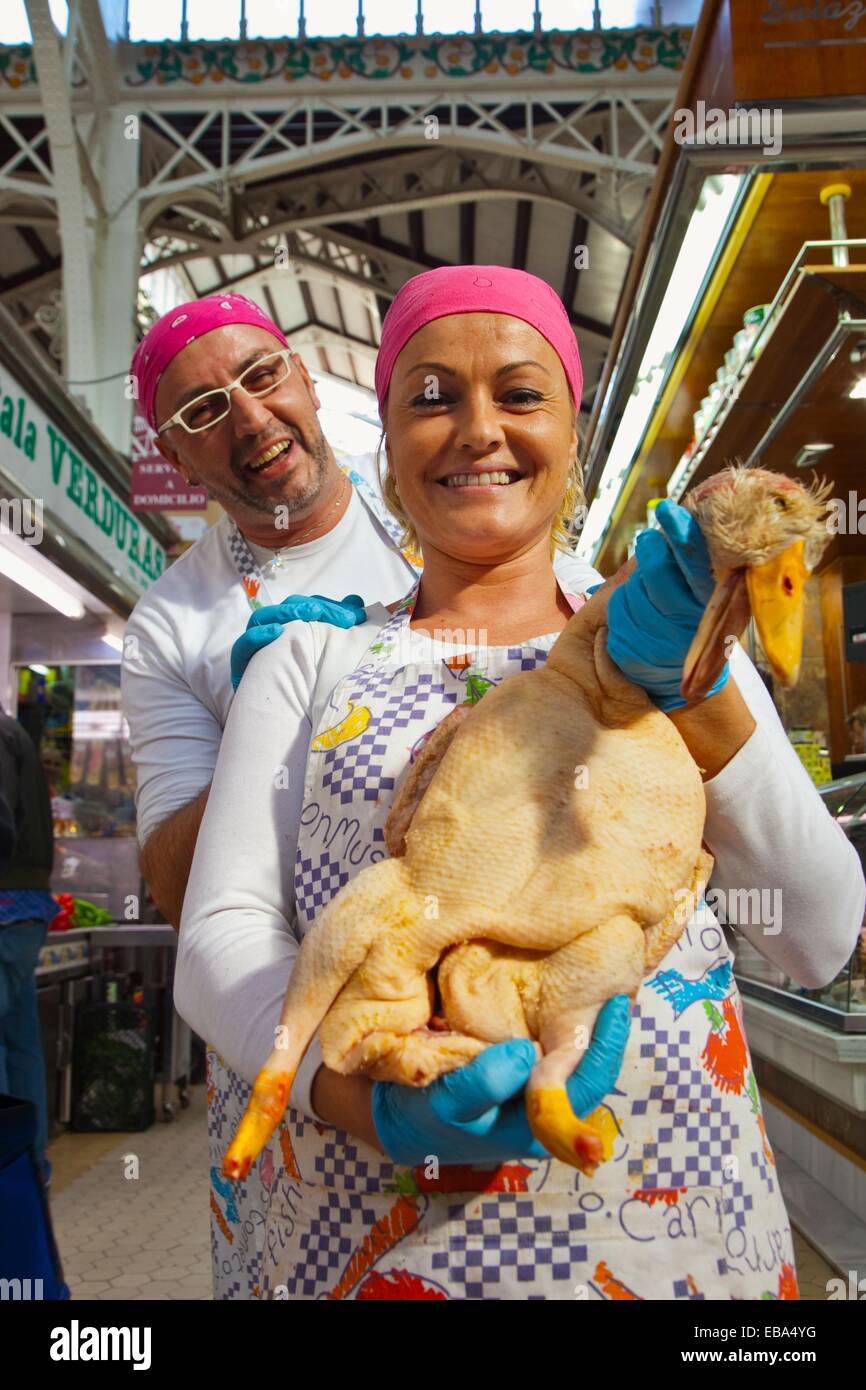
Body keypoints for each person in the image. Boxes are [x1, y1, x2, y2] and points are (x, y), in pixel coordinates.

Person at [176, 264, 864, 1300]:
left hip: (665, 1230)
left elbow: (816, 936)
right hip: (356, 1232)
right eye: (431, 397)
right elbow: (218, 933)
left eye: (519, 392)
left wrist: (690, 687)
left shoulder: (674, 645)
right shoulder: (307, 663)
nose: (475, 428)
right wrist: (359, 1100)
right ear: (388, 444)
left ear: (571, 433)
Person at [122, 288, 603, 1299]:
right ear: (173, 452)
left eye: (260, 376)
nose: (250, 419)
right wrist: (274, 716)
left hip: (517, 980)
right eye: (202, 411)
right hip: (310, 1041)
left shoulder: (450, 489)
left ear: (307, 378)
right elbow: (179, 886)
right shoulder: (173, 624)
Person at [0, 709, 56, 1187]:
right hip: (26, 908)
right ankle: (29, 1171)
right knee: (20, 1044)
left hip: (6, 906)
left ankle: (9, 1174)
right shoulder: (14, 731)